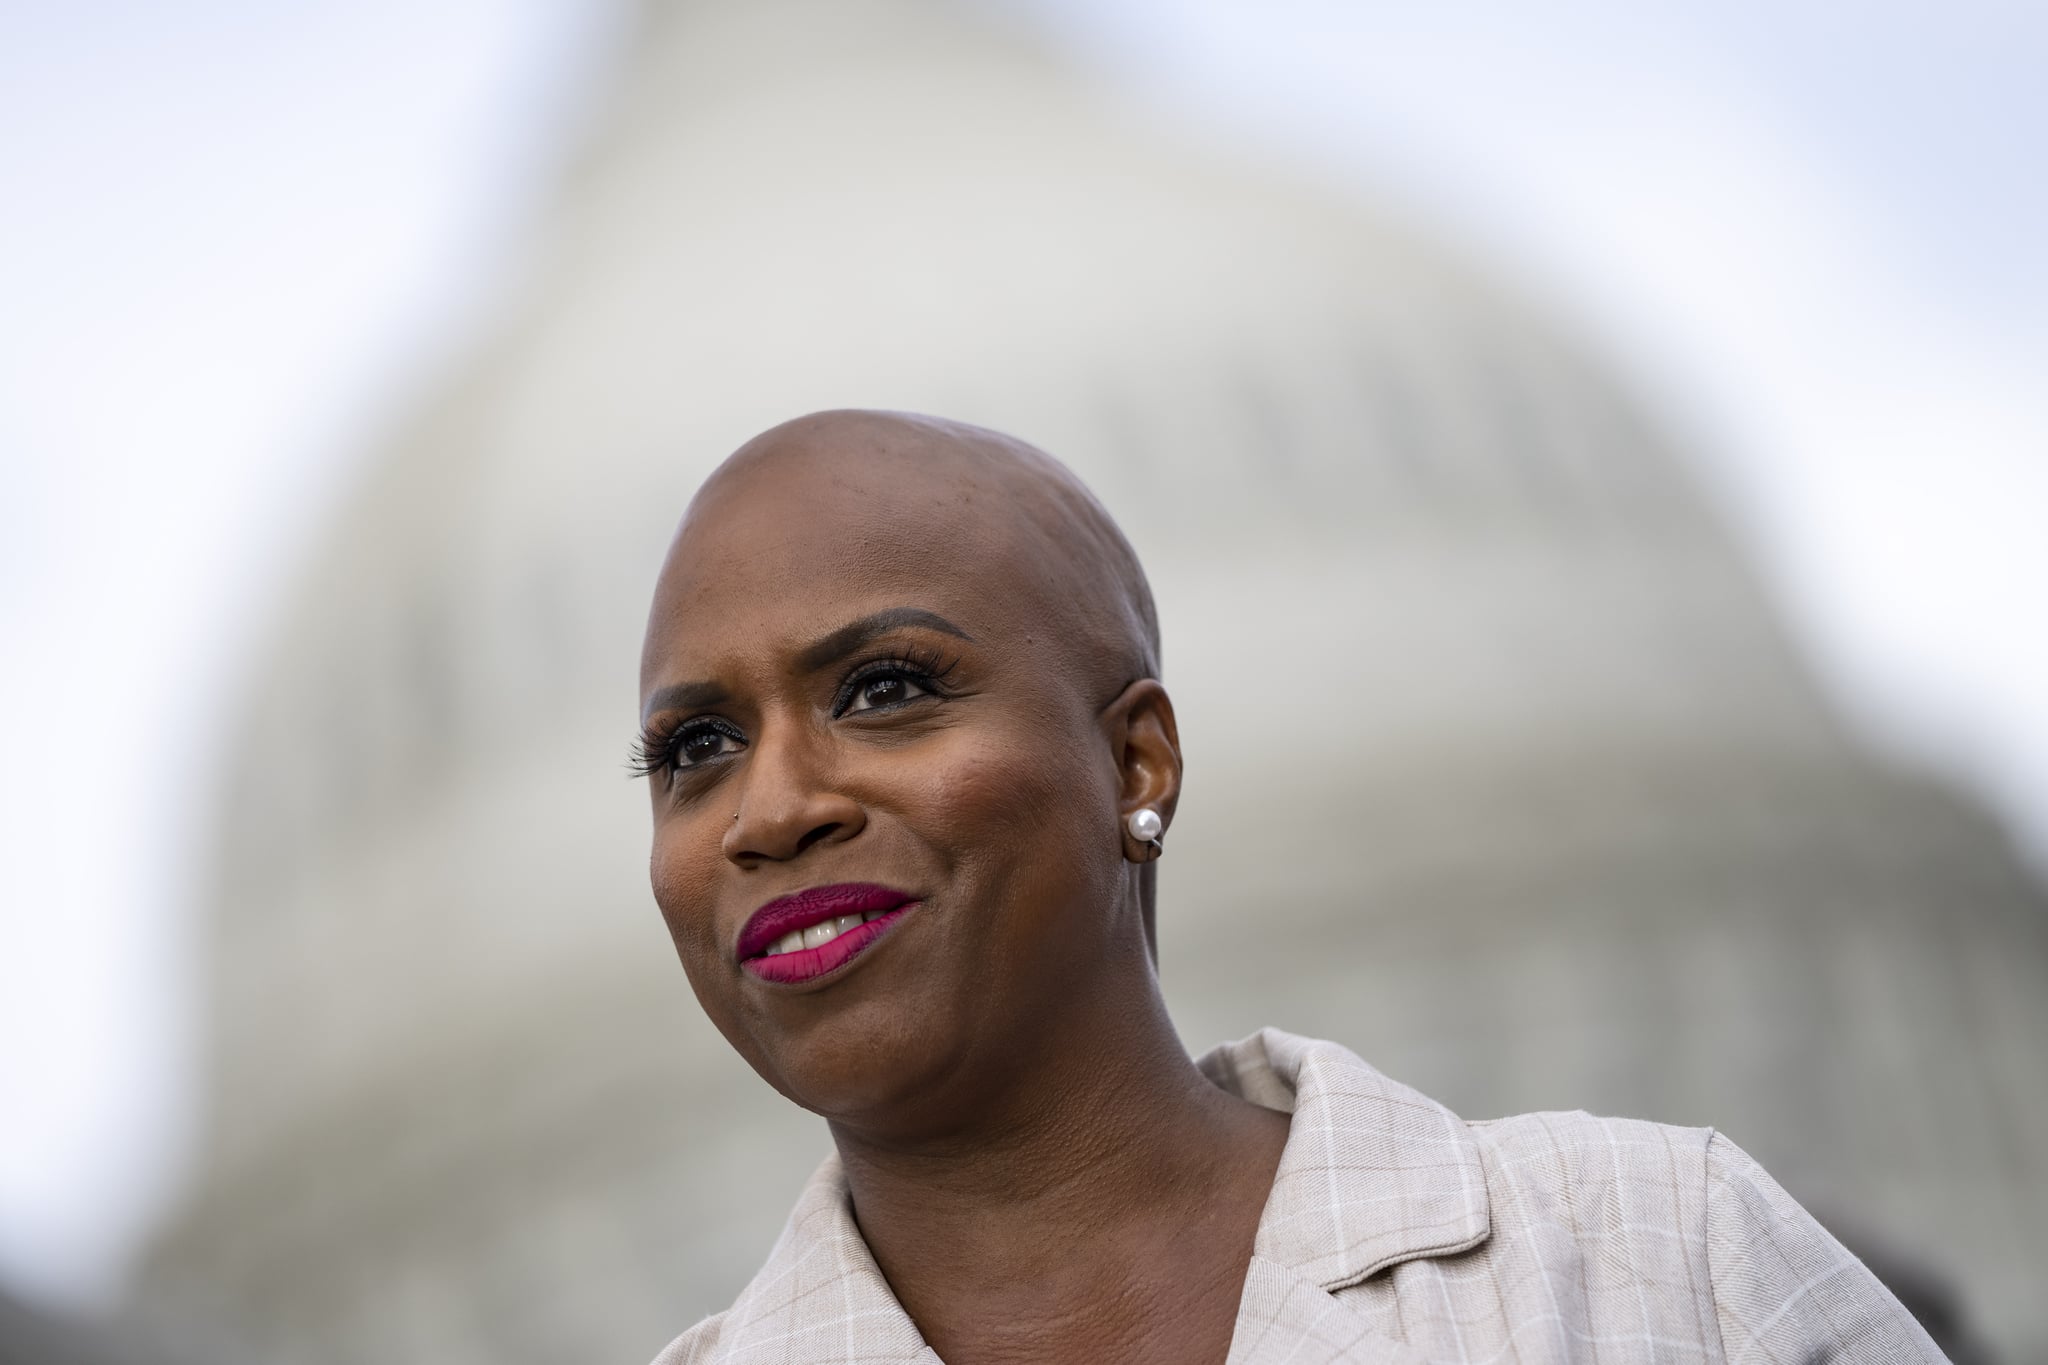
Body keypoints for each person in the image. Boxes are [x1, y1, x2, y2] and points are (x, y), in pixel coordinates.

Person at [635, 410, 1944, 1364]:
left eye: (886, 690)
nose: (775, 806)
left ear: (1134, 756)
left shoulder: (1663, 1264)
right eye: (697, 747)